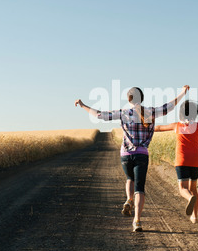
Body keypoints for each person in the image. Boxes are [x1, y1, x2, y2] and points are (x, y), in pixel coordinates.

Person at [75, 85, 190, 232]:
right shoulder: (149, 112)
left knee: (130, 178)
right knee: (139, 188)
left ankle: (128, 200)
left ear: (128, 99)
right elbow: (169, 107)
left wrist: (83, 105)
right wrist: (182, 92)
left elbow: (100, 115)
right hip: (141, 154)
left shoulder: (123, 112)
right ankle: (137, 221)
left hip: (126, 155)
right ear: (141, 98)